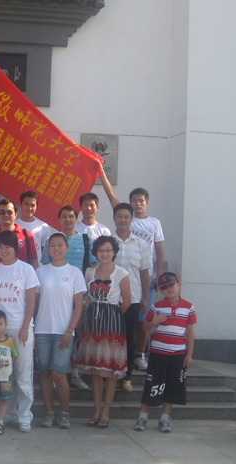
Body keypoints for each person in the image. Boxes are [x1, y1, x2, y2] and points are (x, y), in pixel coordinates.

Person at [99, 168, 165, 370]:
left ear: (147, 202)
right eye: (134, 200)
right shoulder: (124, 222)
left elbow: (159, 250)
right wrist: (101, 173)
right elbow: (112, 198)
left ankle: (139, 354)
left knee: (143, 319)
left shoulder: (154, 223)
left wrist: (158, 274)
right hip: (116, 288)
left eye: (141, 200)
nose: (137, 204)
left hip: (142, 278)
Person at [0, 230, 39, 432]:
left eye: (7, 247)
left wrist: (25, 327)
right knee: (4, 375)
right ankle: (7, 414)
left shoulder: (26, 269)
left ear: (15, 248)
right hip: (0, 332)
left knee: (23, 375)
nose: (3, 251)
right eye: (0, 247)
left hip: (21, 328)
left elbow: (32, 301)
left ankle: (24, 416)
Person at [78, 235, 131, 429]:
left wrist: (111, 315)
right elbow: (85, 298)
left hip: (112, 324)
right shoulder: (90, 272)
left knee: (110, 372)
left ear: (114, 252)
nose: (105, 254)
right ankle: (96, 410)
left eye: (108, 250)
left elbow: (126, 302)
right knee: (95, 371)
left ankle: (106, 411)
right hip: (92, 323)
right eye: (101, 250)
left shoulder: (122, 273)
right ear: (96, 252)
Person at [35, 233, 86, 429]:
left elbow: (79, 306)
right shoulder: (40, 272)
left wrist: (70, 330)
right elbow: (35, 302)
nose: (56, 249)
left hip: (64, 331)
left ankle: (64, 413)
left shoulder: (74, 273)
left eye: (60, 245)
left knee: (59, 373)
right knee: (45, 373)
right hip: (42, 330)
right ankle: (49, 412)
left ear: (66, 247)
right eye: (52, 245)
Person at [134, 273, 196, 433]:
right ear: (161, 290)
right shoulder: (156, 307)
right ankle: (142, 417)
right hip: (158, 354)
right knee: (151, 385)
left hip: (178, 355)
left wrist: (189, 355)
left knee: (172, 387)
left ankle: (164, 418)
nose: (169, 289)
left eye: (171, 285)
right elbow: (144, 327)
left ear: (179, 284)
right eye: (164, 287)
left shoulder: (188, 307)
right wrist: (154, 322)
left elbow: (190, 332)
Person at [43, 205, 96, 391]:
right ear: (59, 220)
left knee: (77, 334)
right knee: (57, 334)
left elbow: (91, 267)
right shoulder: (53, 241)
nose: (67, 220)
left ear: (76, 219)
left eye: (71, 216)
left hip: (78, 294)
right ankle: (57, 373)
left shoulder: (85, 240)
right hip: (57, 296)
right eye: (64, 216)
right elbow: (47, 266)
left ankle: (74, 373)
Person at [112, 203, 152, 393]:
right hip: (111, 299)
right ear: (114, 218)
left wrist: (145, 298)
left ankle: (126, 376)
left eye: (126, 217)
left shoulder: (141, 244)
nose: (122, 220)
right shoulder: (108, 242)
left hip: (133, 299)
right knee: (111, 338)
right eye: (119, 216)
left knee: (129, 339)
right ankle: (110, 374)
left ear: (131, 219)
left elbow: (144, 273)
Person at [0, 199, 38, 270]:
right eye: (2, 212)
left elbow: (34, 260)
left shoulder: (27, 235)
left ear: (15, 214)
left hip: (22, 276)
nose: (6, 215)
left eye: (9, 212)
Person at [16, 190, 51, 266]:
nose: (29, 208)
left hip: (37, 269)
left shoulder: (43, 226)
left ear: (36, 206)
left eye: (32, 205)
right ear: (21, 204)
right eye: (26, 204)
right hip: (17, 268)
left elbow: (46, 252)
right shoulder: (14, 225)